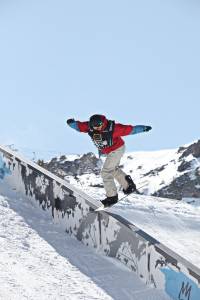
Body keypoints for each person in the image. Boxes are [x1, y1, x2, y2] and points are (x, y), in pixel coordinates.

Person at [66, 114, 152, 206]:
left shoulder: (114, 129)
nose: (96, 128)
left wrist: (143, 128)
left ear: (103, 123)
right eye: (93, 126)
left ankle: (112, 197)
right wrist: (72, 123)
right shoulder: (90, 127)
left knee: (106, 172)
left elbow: (131, 130)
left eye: (98, 126)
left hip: (117, 149)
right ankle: (128, 186)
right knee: (112, 169)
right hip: (109, 151)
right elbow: (79, 127)